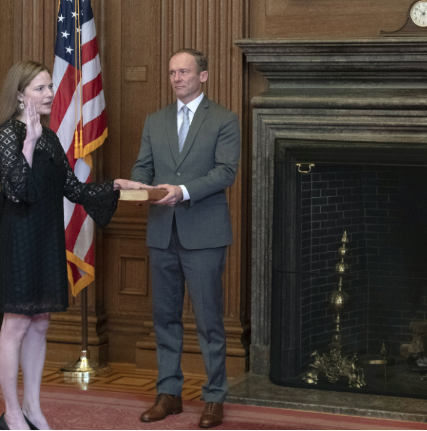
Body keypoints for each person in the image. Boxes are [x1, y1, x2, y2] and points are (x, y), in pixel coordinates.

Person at [0, 61, 153, 430]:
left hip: (47, 237)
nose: (49, 93)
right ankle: (12, 413)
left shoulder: (50, 137)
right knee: (15, 324)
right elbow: (19, 190)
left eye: (50, 86)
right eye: (40, 88)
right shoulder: (8, 135)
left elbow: (74, 189)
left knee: (41, 323)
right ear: (20, 95)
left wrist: (113, 185)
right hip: (19, 240)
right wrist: (28, 142)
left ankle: (33, 408)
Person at [131, 48, 240, 428]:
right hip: (162, 232)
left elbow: (226, 172)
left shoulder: (224, 119)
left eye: (185, 72)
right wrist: (135, 185)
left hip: (204, 233)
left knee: (210, 320)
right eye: (173, 72)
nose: (177, 78)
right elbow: (143, 167)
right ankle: (169, 394)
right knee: (164, 318)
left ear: (203, 76)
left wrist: (183, 190)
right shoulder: (155, 120)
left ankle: (214, 397)